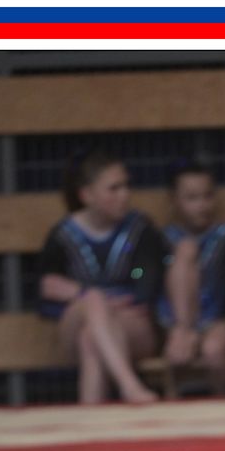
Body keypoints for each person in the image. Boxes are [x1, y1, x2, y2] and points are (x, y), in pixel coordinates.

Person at [37, 150, 165, 404]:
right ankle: (130, 386)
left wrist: (84, 292)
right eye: (114, 189)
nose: (124, 195)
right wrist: (89, 297)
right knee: (93, 301)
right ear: (86, 195)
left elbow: (145, 277)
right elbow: (47, 295)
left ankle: (90, 416)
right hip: (78, 320)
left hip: (131, 321)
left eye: (126, 186)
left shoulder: (139, 229)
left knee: (91, 337)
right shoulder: (63, 236)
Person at [157, 163, 225, 392]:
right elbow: (143, 277)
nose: (201, 205)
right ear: (174, 200)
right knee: (176, 353)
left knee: (213, 351)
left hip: (217, 318)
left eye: (207, 196)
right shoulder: (163, 239)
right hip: (172, 322)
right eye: (192, 198)